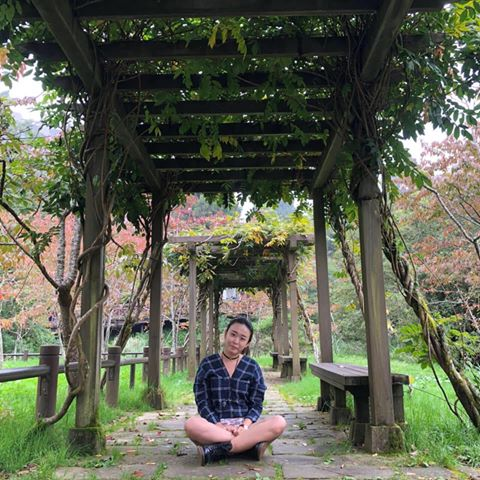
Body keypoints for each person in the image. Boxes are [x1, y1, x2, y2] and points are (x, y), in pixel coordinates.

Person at [184, 316, 287, 466]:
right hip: (216, 427)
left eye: (242, 338)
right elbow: (202, 401)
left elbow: (256, 404)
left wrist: (244, 426)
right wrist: (217, 424)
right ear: (225, 334)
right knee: (191, 424)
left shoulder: (252, 367)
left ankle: (220, 449)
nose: (236, 341)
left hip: (245, 427)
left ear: (247, 343)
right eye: (233, 334)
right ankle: (248, 446)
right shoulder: (207, 364)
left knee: (279, 422)